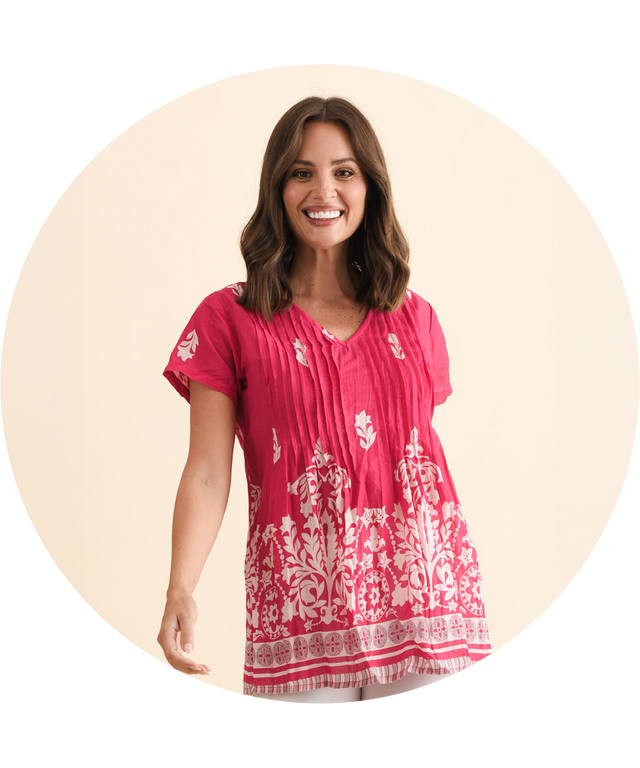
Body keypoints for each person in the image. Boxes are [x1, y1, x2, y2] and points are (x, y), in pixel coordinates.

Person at [157, 96, 492, 704]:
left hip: (427, 596)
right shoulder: (229, 318)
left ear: (370, 187)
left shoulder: (414, 318)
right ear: (277, 188)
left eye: (344, 171)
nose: (324, 191)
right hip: (300, 603)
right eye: (301, 172)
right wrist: (181, 586)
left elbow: (404, 460)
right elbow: (206, 472)